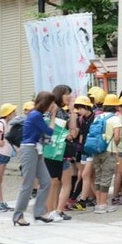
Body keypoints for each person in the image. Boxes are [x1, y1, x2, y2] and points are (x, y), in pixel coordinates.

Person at [13, 91, 62, 226]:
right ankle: (18, 215)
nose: (53, 105)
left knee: (46, 181)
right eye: (51, 102)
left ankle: (39, 212)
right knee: (28, 184)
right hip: (29, 149)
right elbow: (49, 131)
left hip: (36, 149)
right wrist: (53, 115)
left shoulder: (37, 114)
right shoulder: (35, 115)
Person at [45, 84, 77, 222]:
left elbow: (73, 131)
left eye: (70, 94)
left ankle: (57, 210)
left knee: (59, 182)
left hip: (61, 151)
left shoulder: (64, 112)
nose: (69, 97)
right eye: (66, 94)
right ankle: (51, 211)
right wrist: (66, 134)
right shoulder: (53, 108)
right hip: (52, 150)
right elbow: (50, 128)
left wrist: (72, 111)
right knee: (53, 182)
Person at [92, 94, 121, 213]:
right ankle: (103, 205)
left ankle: (99, 203)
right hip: (109, 150)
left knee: (98, 176)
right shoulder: (115, 118)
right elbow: (117, 137)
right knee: (106, 177)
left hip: (96, 149)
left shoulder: (97, 117)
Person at [0, 103, 17, 212]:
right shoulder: (1, 124)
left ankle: (0, 202)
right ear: (9, 114)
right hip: (1, 154)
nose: (15, 113)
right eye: (13, 112)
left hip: (4, 154)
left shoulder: (5, 123)